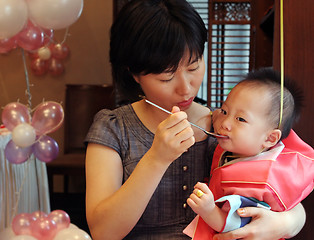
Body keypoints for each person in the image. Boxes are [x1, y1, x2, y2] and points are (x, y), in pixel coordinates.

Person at [84, 1, 306, 239]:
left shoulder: (227, 125)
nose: (186, 89)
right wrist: (156, 159)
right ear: (134, 74)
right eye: (167, 77)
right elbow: (103, 233)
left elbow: (285, 187)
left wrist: (286, 222)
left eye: (193, 66)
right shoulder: (114, 128)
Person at [184, 68, 314, 239]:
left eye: (240, 119)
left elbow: (235, 225)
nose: (225, 123)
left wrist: (208, 210)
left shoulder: (256, 181)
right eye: (224, 111)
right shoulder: (255, 147)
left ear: (270, 138)